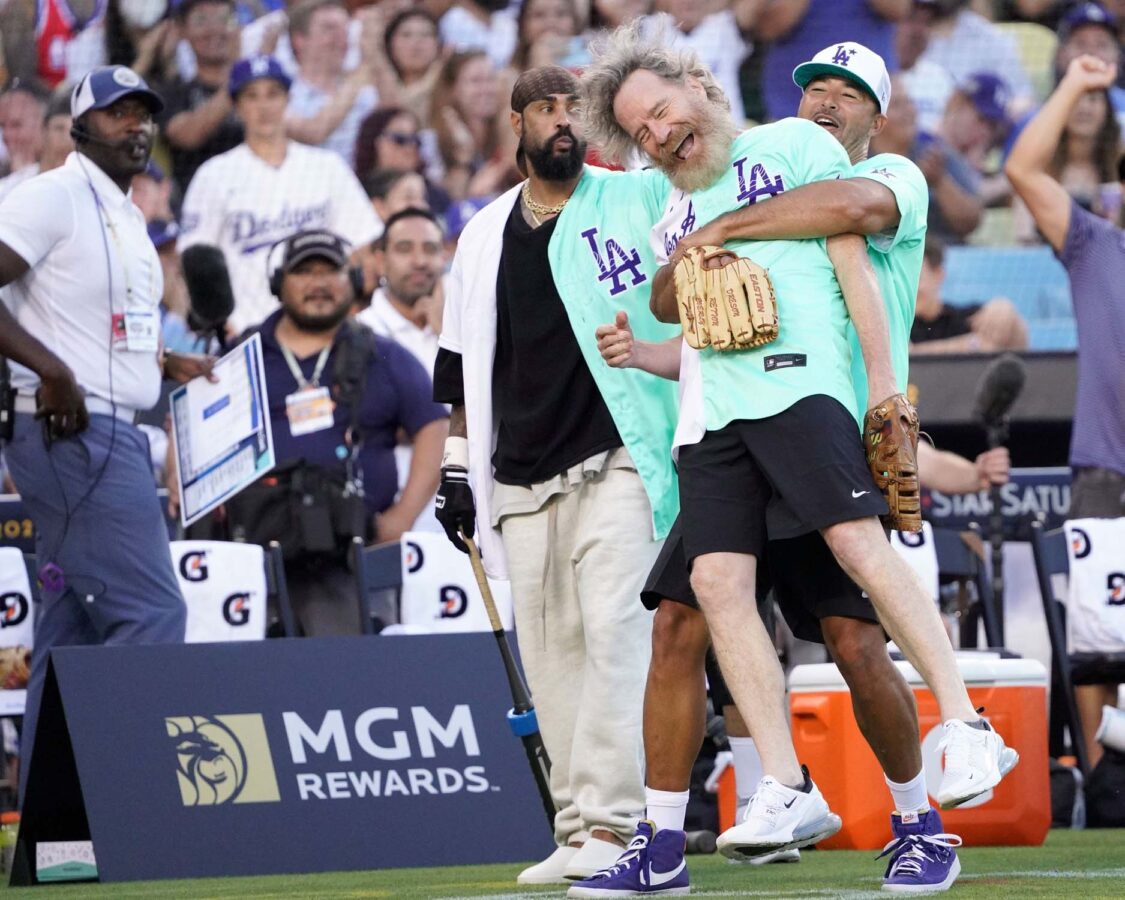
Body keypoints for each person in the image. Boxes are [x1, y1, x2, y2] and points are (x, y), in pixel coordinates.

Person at [576, 27, 1017, 884]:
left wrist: (887, 391)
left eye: (846, 93)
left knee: (853, 634)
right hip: (719, 418)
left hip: (821, 400)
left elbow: (847, 224)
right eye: (814, 87)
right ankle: (719, 812)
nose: (824, 100)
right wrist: (685, 263)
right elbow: (674, 293)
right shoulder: (682, 190)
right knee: (690, 610)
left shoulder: (867, 170)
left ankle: (940, 772)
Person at [431, 65, 679, 886]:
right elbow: (457, 368)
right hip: (520, 470)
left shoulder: (634, 198)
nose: (563, 122)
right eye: (546, 109)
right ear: (516, 125)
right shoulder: (482, 232)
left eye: (575, 109)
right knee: (553, 657)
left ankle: (613, 824)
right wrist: (457, 470)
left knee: (614, 636)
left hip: (618, 455)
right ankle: (575, 828)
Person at [0, 65, 215, 797]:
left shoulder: (127, 213)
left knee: (73, 633)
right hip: (72, 430)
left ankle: (54, 827)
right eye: (119, 115)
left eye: (145, 114)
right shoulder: (53, 195)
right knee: (152, 612)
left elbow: (85, 320)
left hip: (105, 428)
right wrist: (50, 369)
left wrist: (160, 361)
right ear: (77, 128)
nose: (137, 127)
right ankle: (135, 806)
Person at [235, 228, 447, 635]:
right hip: (256, 553)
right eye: (304, 272)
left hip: (353, 552)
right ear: (280, 284)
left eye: (329, 271)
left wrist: (403, 516)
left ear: (350, 282)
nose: (318, 284)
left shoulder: (382, 354)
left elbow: (434, 424)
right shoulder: (243, 353)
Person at [1005, 52, 1125, 764]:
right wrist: (1077, 83)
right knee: (1097, 639)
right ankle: (1100, 779)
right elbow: (1022, 168)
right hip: (1103, 466)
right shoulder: (1093, 245)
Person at [178, 54, 382, 333]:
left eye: (273, 94)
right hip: (247, 332)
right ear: (237, 107)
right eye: (252, 96)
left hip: (324, 328)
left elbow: (363, 247)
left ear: (288, 100)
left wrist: (347, 312)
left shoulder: (327, 166)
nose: (264, 107)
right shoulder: (213, 175)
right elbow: (196, 261)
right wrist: (223, 326)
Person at [357, 206, 446, 532]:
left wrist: (447, 334)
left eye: (431, 249)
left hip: (473, 509)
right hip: (395, 511)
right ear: (380, 260)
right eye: (405, 249)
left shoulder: (466, 330)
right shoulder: (359, 334)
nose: (420, 261)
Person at [158, 0, 243, 193]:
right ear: (182, 31)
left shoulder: (262, 89)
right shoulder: (171, 92)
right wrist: (240, 77)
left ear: (239, 27)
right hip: (199, 205)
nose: (214, 30)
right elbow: (189, 135)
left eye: (224, 19)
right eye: (200, 21)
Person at [285, 0, 379, 164]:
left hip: (362, 185)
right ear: (299, 39)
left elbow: (402, 122)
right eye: (329, 29)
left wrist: (376, 51)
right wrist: (365, 68)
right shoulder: (281, 91)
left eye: (345, 30)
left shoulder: (364, 89)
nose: (340, 37)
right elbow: (313, 133)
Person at [910, 236, 1029, 352]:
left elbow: (1017, 342)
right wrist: (970, 344)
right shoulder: (897, 328)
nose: (909, 290)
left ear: (938, 275)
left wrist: (1006, 309)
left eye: (916, 279)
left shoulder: (968, 320)